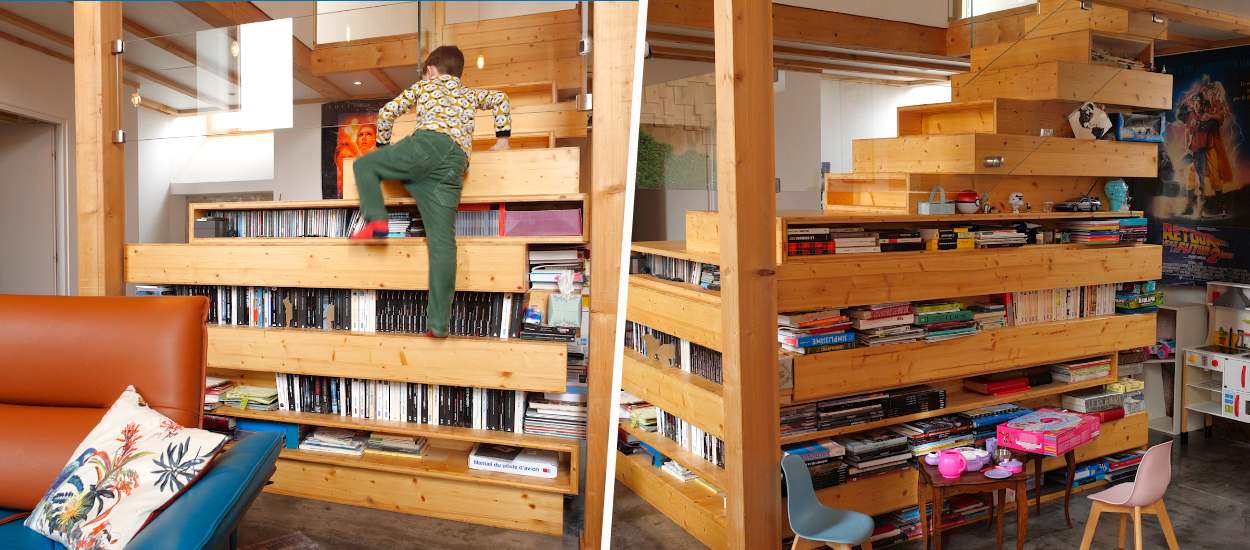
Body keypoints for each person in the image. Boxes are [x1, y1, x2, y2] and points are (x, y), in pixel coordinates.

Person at [350, 45, 512, 338]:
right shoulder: (469, 93)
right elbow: (500, 99)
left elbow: (388, 112)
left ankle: (375, 221)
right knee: (442, 243)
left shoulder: (427, 86)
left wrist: (384, 148)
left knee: (365, 166)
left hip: (428, 146)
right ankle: (438, 324)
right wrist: (502, 139)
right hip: (454, 165)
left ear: (430, 71)